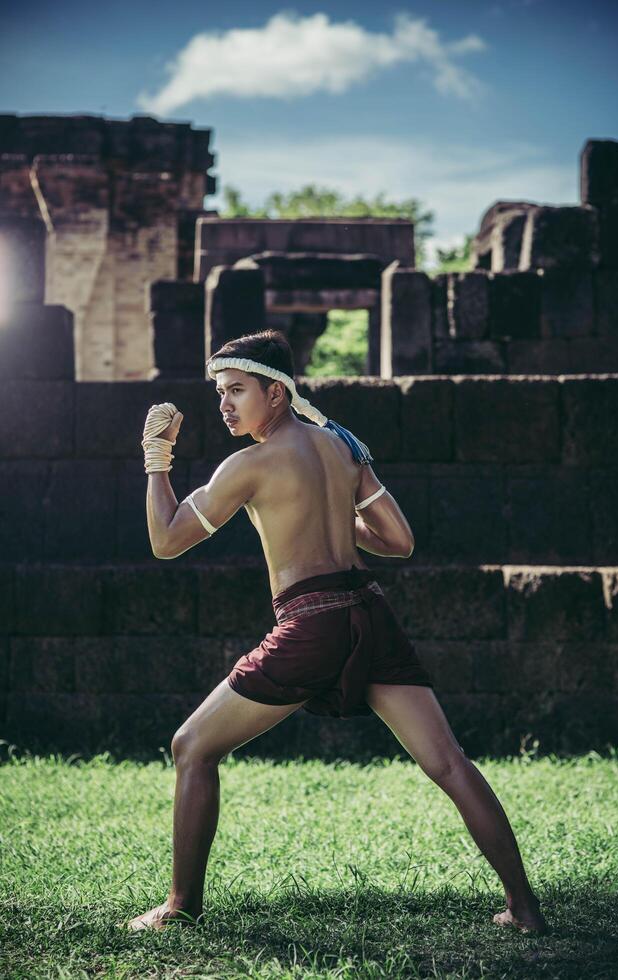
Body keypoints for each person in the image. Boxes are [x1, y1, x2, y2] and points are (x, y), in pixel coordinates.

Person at [126, 329, 549, 935]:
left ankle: (179, 908)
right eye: (220, 392)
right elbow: (399, 542)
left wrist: (156, 456)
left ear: (276, 395)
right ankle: (525, 910)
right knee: (451, 764)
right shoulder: (341, 447)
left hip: (312, 623)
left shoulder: (247, 465)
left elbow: (165, 541)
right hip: (370, 613)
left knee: (192, 747)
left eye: (236, 390)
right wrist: (334, 513)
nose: (223, 405)